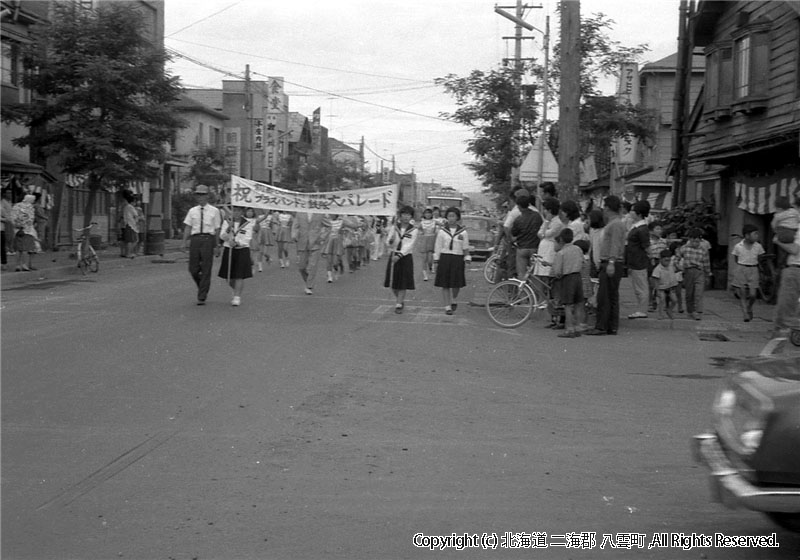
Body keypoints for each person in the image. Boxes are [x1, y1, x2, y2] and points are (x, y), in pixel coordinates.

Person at [586, 195, 626, 336]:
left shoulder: (615, 224)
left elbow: (615, 244)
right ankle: (611, 326)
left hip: (610, 261)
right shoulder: (617, 223)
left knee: (604, 296)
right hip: (614, 262)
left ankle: (601, 326)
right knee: (612, 295)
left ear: (608, 208)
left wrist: (611, 262)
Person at [182, 184, 222, 305]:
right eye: (198, 195)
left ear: (207, 196)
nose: (200, 197)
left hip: (208, 239)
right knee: (193, 268)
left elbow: (217, 229)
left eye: (202, 195)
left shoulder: (214, 211)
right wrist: (184, 241)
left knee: (206, 267)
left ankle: (202, 295)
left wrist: (217, 245)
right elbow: (188, 227)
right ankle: (202, 285)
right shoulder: (192, 211)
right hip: (195, 239)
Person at [434, 206, 471, 315]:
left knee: (456, 284)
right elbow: (438, 246)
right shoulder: (442, 231)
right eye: (449, 216)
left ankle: (454, 298)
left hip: (457, 258)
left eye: (453, 216)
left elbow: (465, 247)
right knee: (445, 284)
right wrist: (436, 260)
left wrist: (467, 257)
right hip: (445, 257)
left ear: (457, 218)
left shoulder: (463, 232)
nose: (451, 218)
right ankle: (447, 306)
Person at [218, 205, 257, 306]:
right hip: (229, 249)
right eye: (234, 210)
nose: (236, 213)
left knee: (239, 275)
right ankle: (236, 290)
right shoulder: (227, 221)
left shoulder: (247, 223)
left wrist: (237, 242)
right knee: (228, 276)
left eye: (238, 211)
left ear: (242, 211)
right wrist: (229, 228)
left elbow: (247, 238)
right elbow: (222, 235)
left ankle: (237, 296)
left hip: (242, 250)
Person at [551, 228, 584, 338]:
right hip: (578, 276)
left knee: (568, 305)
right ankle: (578, 327)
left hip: (567, 278)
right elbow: (582, 262)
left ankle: (569, 329)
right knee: (579, 303)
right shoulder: (578, 249)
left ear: (560, 239)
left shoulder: (561, 253)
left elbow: (557, 272)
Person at [385, 205, 418, 313]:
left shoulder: (413, 230)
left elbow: (409, 245)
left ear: (411, 217)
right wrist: (390, 242)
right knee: (393, 283)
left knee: (403, 282)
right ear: (400, 216)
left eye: (408, 215)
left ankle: (399, 304)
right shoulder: (394, 228)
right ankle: (400, 299)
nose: (406, 217)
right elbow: (388, 241)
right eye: (404, 214)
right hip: (393, 255)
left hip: (405, 257)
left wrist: (399, 256)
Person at [536, 198, 563, 327]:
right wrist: (546, 223)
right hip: (543, 250)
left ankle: (552, 312)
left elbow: (545, 234)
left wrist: (546, 223)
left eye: (546, 209)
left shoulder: (557, 223)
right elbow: (539, 233)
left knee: (549, 281)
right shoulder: (548, 221)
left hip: (550, 252)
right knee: (542, 278)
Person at [731, 224, 764, 322]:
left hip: (753, 269)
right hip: (741, 269)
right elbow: (736, 259)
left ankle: (749, 307)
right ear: (747, 235)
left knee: (753, 294)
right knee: (742, 293)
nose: (757, 236)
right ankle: (745, 313)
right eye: (755, 234)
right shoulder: (738, 246)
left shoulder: (758, 246)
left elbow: (760, 258)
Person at [292, 211, 330, 295]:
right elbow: (295, 226)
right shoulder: (300, 213)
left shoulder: (320, 213)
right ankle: (308, 280)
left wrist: (322, 237)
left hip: (315, 243)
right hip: (302, 242)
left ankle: (309, 286)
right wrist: (294, 235)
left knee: (313, 265)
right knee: (301, 267)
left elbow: (329, 226)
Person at [677, 228, 711, 321]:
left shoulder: (703, 250)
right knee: (689, 293)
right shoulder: (684, 248)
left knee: (698, 292)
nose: (695, 243)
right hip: (688, 271)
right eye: (693, 241)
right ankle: (690, 311)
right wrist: (678, 267)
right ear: (689, 239)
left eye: (697, 241)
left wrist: (708, 274)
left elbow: (706, 263)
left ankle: (697, 311)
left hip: (699, 272)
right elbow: (677, 258)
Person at [625, 200, 651, 319]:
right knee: (638, 286)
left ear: (639, 214)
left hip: (639, 261)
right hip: (634, 261)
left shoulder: (642, 229)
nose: (630, 213)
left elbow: (647, 247)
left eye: (633, 211)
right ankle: (641, 308)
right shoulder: (636, 226)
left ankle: (642, 309)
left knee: (641, 287)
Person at [772, 225, 800, 337]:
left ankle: (777, 346)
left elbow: (794, 249)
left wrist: (778, 241)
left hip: (796, 269)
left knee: (784, 314)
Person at [510, 193, 543, 280]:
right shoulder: (537, 216)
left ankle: (523, 291)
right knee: (535, 274)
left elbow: (514, 233)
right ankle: (534, 291)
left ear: (519, 206)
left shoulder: (518, 219)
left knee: (521, 275)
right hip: (535, 248)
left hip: (522, 248)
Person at [10, 194, 41, 272]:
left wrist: (18, 226)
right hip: (28, 230)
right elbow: (30, 219)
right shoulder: (30, 207)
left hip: (17, 230)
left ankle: (17, 265)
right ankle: (24, 265)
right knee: (25, 249)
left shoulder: (16, 206)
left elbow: (12, 217)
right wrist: (24, 226)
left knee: (18, 249)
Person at [646, 221, 668, 312]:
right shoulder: (648, 242)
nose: (660, 231)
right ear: (651, 231)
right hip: (651, 263)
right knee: (651, 284)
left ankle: (662, 302)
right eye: (657, 229)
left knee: (661, 283)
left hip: (661, 263)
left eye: (661, 229)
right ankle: (651, 302)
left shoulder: (663, 241)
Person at [417, 207, 438, 281]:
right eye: (426, 213)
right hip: (424, 240)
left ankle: (431, 266)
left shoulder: (434, 221)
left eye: (429, 213)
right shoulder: (422, 222)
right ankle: (425, 275)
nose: (428, 215)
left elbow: (442, 225)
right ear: (424, 214)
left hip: (432, 239)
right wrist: (421, 232)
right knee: (424, 259)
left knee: (430, 259)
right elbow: (418, 229)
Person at [324, 214, 344, 283]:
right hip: (329, 241)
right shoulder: (327, 221)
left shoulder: (341, 222)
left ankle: (336, 268)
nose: (331, 215)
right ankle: (329, 276)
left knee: (336, 261)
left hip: (337, 242)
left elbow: (352, 226)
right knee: (329, 260)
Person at [119, 190, 139, 259]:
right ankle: (129, 253)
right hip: (130, 224)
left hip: (127, 224)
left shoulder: (125, 206)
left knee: (127, 240)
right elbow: (136, 215)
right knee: (132, 240)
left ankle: (126, 252)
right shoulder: (129, 207)